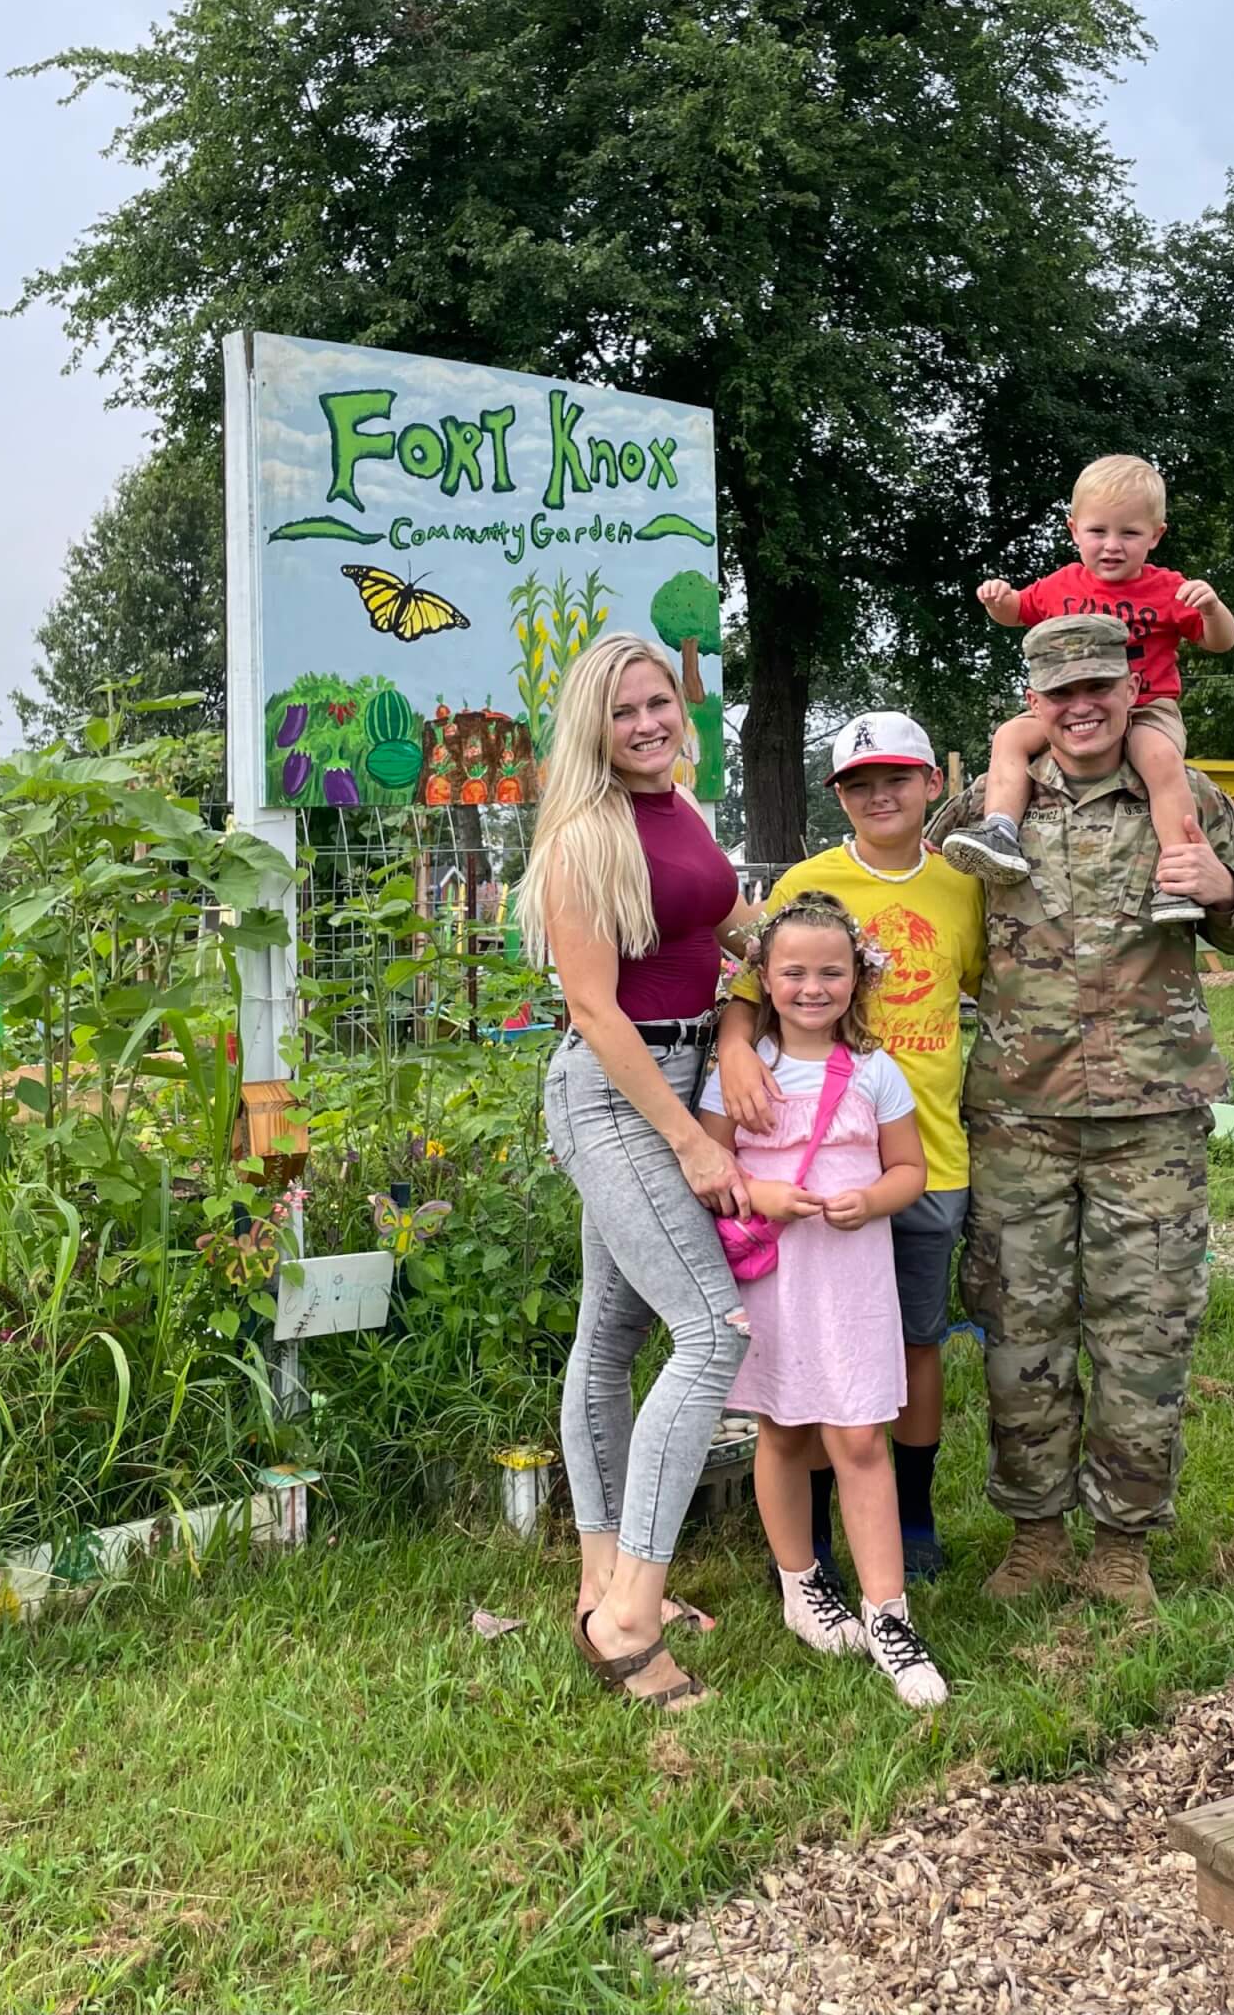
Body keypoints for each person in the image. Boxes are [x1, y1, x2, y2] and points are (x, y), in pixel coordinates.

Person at [929, 613, 1234, 1613]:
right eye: (1059, 692)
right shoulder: (986, 807)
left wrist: (1221, 890)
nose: (1081, 707)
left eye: (1100, 687)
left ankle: (1123, 1541)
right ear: (1032, 701)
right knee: (1019, 1329)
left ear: (1131, 688)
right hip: (1019, 1114)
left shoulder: (1187, 794)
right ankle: (1036, 1532)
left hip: (1153, 1114)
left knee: (1146, 1330)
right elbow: (915, 914)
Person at [520, 632, 761, 1712]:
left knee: (611, 1334)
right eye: (624, 711)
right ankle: (626, 1618)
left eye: (659, 702)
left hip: (688, 1061)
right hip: (620, 1092)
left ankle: (602, 1580)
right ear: (593, 725)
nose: (649, 723)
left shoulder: (686, 807)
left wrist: (791, 968)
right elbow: (592, 1011)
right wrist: (690, 1135)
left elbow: (730, 929)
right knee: (712, 1329)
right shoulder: (583, 836)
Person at [716, 712, 986, 1580]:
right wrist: (729, 1046)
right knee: (814, 1354)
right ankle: (818, 1533)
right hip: (806, 1169)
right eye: (860, 783)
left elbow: (998, 990)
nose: (881, 796)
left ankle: (911, 1515)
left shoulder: (962, 887)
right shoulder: (808, 881)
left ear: (931, 785)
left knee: (912, 1342)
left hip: (924, 1156)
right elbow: (753, 988)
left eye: (897, 779)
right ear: (840, 796)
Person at [697, 893, 947, 1708]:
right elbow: (705, 1168)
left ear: (857, 978)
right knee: (783, 1426)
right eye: (794, 972)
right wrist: (755, 1191)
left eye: (831, 972)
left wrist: (874, 1201)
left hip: (853, 1282)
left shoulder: (877, 1072)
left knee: (860, 1436)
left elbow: (909, 1170)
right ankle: (801, 1586)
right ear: (763, 979)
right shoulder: (739, 1072)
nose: (813, 987)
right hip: (777, 1281)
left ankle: (888, 1614)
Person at [941, 455, 1234, 926]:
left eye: (1130, 534)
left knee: (1158, 757)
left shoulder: (1168, 589)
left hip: (1147, 706)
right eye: (1099, 532)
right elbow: (1019, 610)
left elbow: (1220, 642)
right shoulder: (1062, 584)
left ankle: (1177, 872)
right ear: (1074, 529)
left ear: (1156, 535)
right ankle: (999, 829)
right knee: (1008, 739)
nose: (1113, 546)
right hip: (1071, 707)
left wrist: (1212, 610)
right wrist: (998, 600)